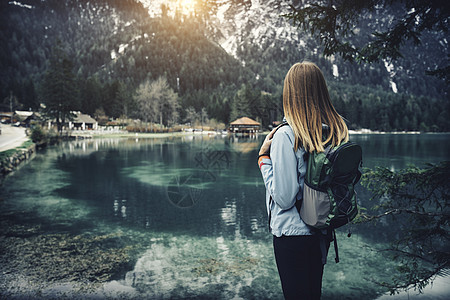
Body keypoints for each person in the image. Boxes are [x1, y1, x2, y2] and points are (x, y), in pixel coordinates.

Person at [257, 61, 349, 300]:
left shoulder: (286, 135)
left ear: (290, 93)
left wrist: (263, 161)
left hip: (291, 236)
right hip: (321, 232)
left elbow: (285, 199)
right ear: (320, 92)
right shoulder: (331, 132)